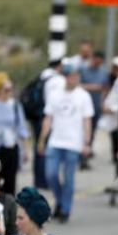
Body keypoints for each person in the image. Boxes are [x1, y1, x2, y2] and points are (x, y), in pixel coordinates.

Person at [39, 65, 94, 222]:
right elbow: (48, 118)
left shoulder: (83, 96)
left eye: (77, 76)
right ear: (66, 77)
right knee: (51, 174)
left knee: (69, 178)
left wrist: (87, 142)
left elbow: (87, 120)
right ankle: (59, 199)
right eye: (72, 76)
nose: (75, 79)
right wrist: (43, 139)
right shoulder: (55, 94)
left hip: (73, 143)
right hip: (56, 140)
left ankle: (65, 209)